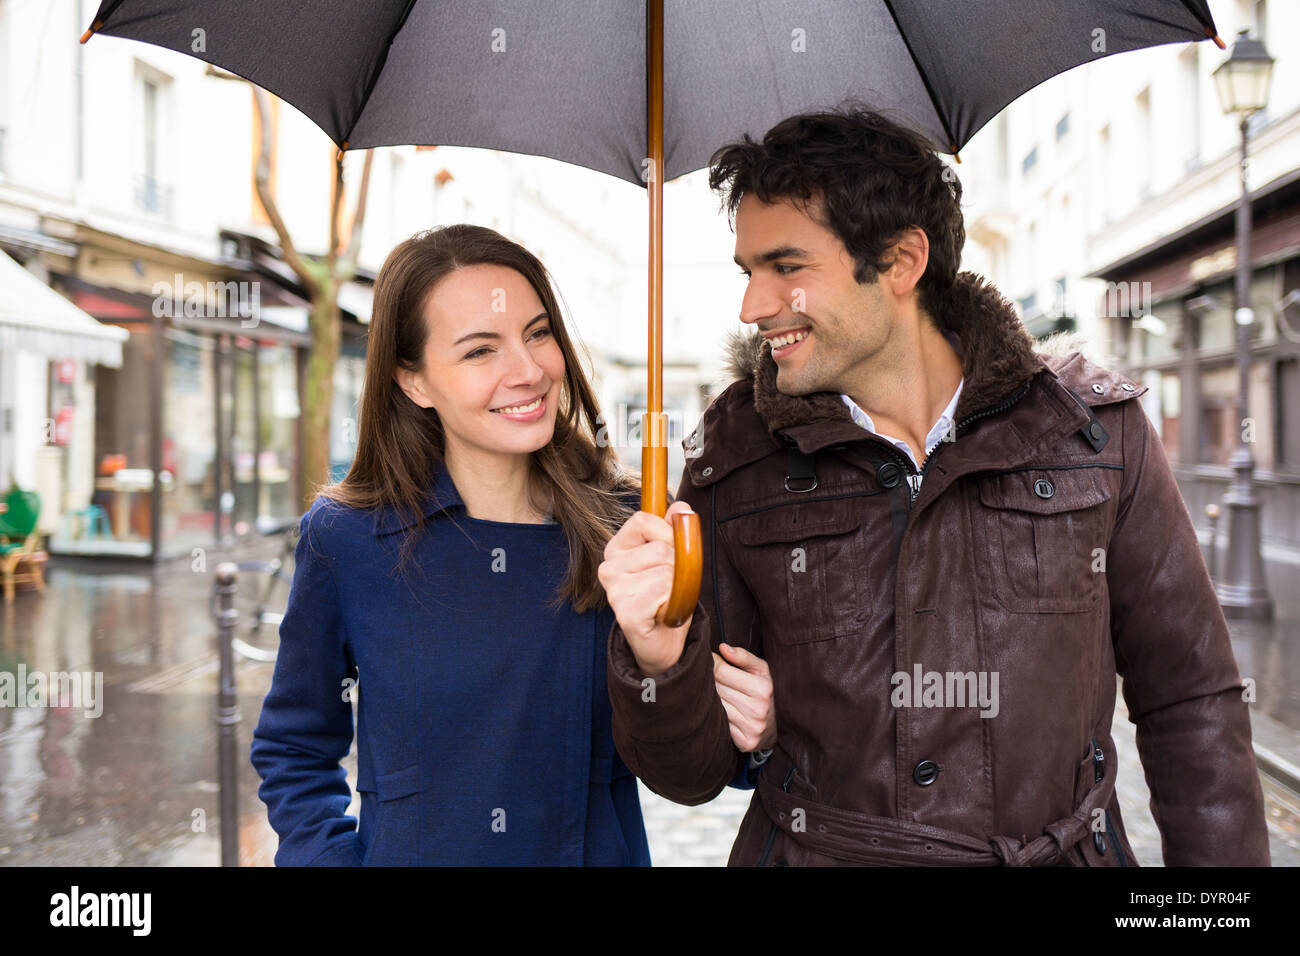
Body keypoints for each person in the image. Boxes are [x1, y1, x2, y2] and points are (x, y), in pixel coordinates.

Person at [597, 104, 1271, 866]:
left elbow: (1191, 700)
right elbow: (690, 773)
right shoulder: (735, 456)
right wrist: (659, 661)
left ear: (900, 262)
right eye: (749, 272)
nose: (752, 307)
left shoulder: (1091, 430)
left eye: (785, 268)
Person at [250, 224, 774, 866]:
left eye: (537, 333)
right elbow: (295, 747)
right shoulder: (350, 538)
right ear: (412, 380)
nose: (528, 372)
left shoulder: (636, 535)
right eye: (479, 351)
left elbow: (722, 760)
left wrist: (752, 721)